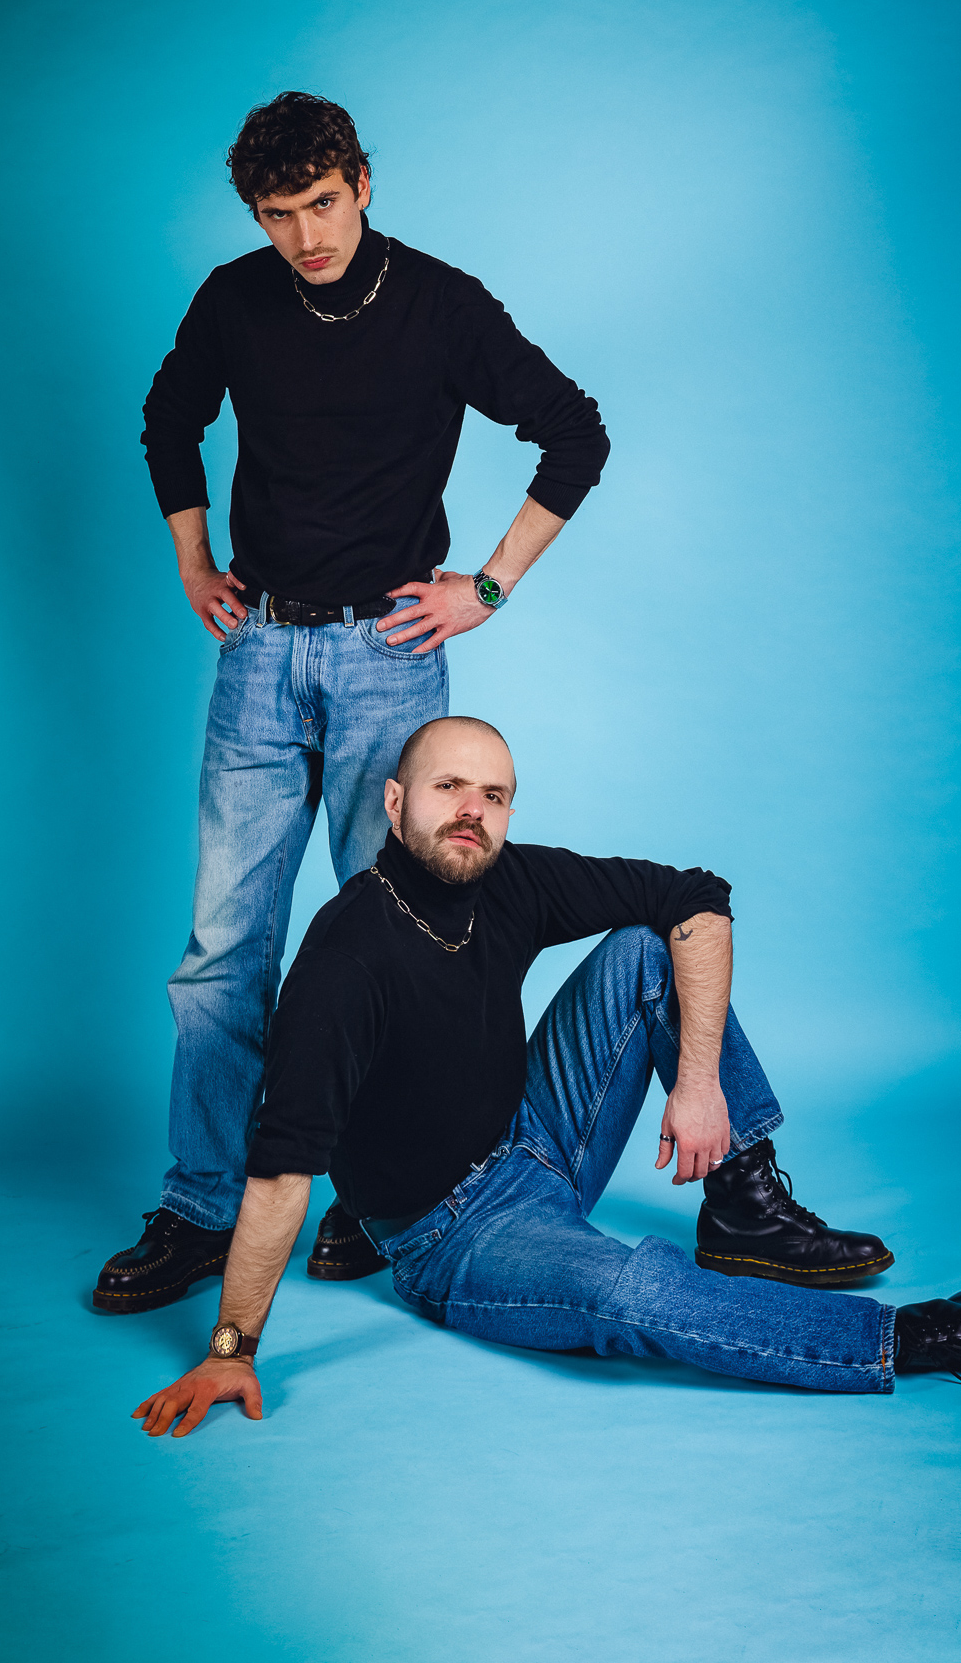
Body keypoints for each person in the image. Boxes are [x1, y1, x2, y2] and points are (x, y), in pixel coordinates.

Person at [130, 718, 961, 1436]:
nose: (471, 811)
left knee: (647, 946)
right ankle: (940, 1334)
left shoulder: (506, 877)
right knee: (635, 1292)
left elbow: (696, 898)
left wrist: (698, 1083)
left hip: (534, 1134)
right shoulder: (348, 958)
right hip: (454, 1236)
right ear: (394, 802)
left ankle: (744, 1208)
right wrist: (229, 1351)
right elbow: (281, 1171)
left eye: (493, 795)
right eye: (448, 787)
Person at [96, 93, 609, 1311]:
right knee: (223, 953)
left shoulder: (440, 303)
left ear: (362, 184)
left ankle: (385, 1192)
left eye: (322, 204)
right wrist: (194, 562)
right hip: (261, 650)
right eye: (279, 216)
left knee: (401, 936)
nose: (307, 237)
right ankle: (201, 1207)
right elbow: (169, 420)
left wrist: (488, 585)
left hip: (390, 654)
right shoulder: (237, 300)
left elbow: (574, 432)